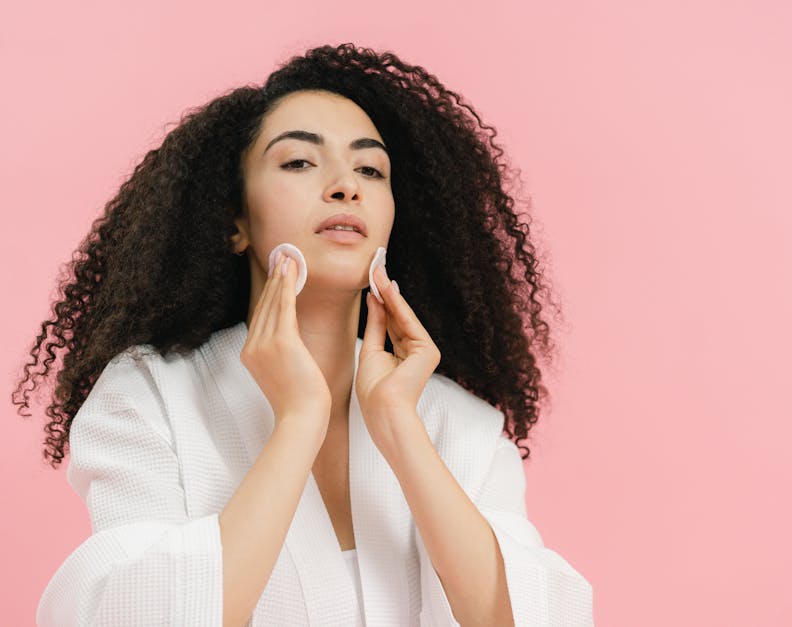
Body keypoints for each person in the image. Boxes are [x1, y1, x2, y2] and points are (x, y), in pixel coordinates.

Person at [14, 43, 594, 626]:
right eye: (298, 163)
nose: (346, 186)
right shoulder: (148, 397)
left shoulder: (460, 427)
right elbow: (137, 614)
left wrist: (398, 424)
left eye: (370, 170)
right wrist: (298, 422)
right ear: (235, 221)